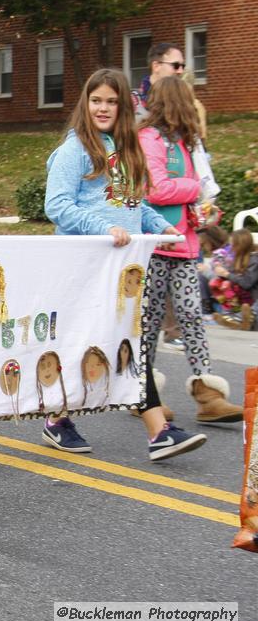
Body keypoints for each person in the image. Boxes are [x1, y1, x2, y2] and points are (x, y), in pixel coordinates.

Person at [42, 68, 206, 461]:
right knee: (81, 343)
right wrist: (104, 228)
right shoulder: (74, 150)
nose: (102, 108)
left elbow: (134, 204)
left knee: (124, 342)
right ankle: (58, 419)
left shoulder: (126, 148)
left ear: (123, 107)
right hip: (82, 265)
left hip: (121, 269)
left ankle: (156, 431)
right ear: (86, 103)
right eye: (96, 100)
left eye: (111, 102)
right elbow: (58, 206)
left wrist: (161, 225)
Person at [138, 76, 244, 424]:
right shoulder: (149, 138)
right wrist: (194, 188)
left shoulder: (184, 143)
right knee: (149, 322)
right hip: (154, 245)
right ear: (178, 103)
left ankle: (207, 393)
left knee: (191, 317)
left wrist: (204, 211)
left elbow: (188, 193)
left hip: (183, 245)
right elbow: (155, 188)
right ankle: (143, 394)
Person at [213, 229, 257, 330]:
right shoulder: (237, 259)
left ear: (242, 245)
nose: (231, 249)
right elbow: (231, 276)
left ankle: (242, 317)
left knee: (228, 282)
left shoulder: (255, 260)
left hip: (252, 297)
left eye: (233, 245)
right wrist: (220, 272)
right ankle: (233, 315)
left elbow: (247, 283)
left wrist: (226, 274)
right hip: (243, 298)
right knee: (217, 282)